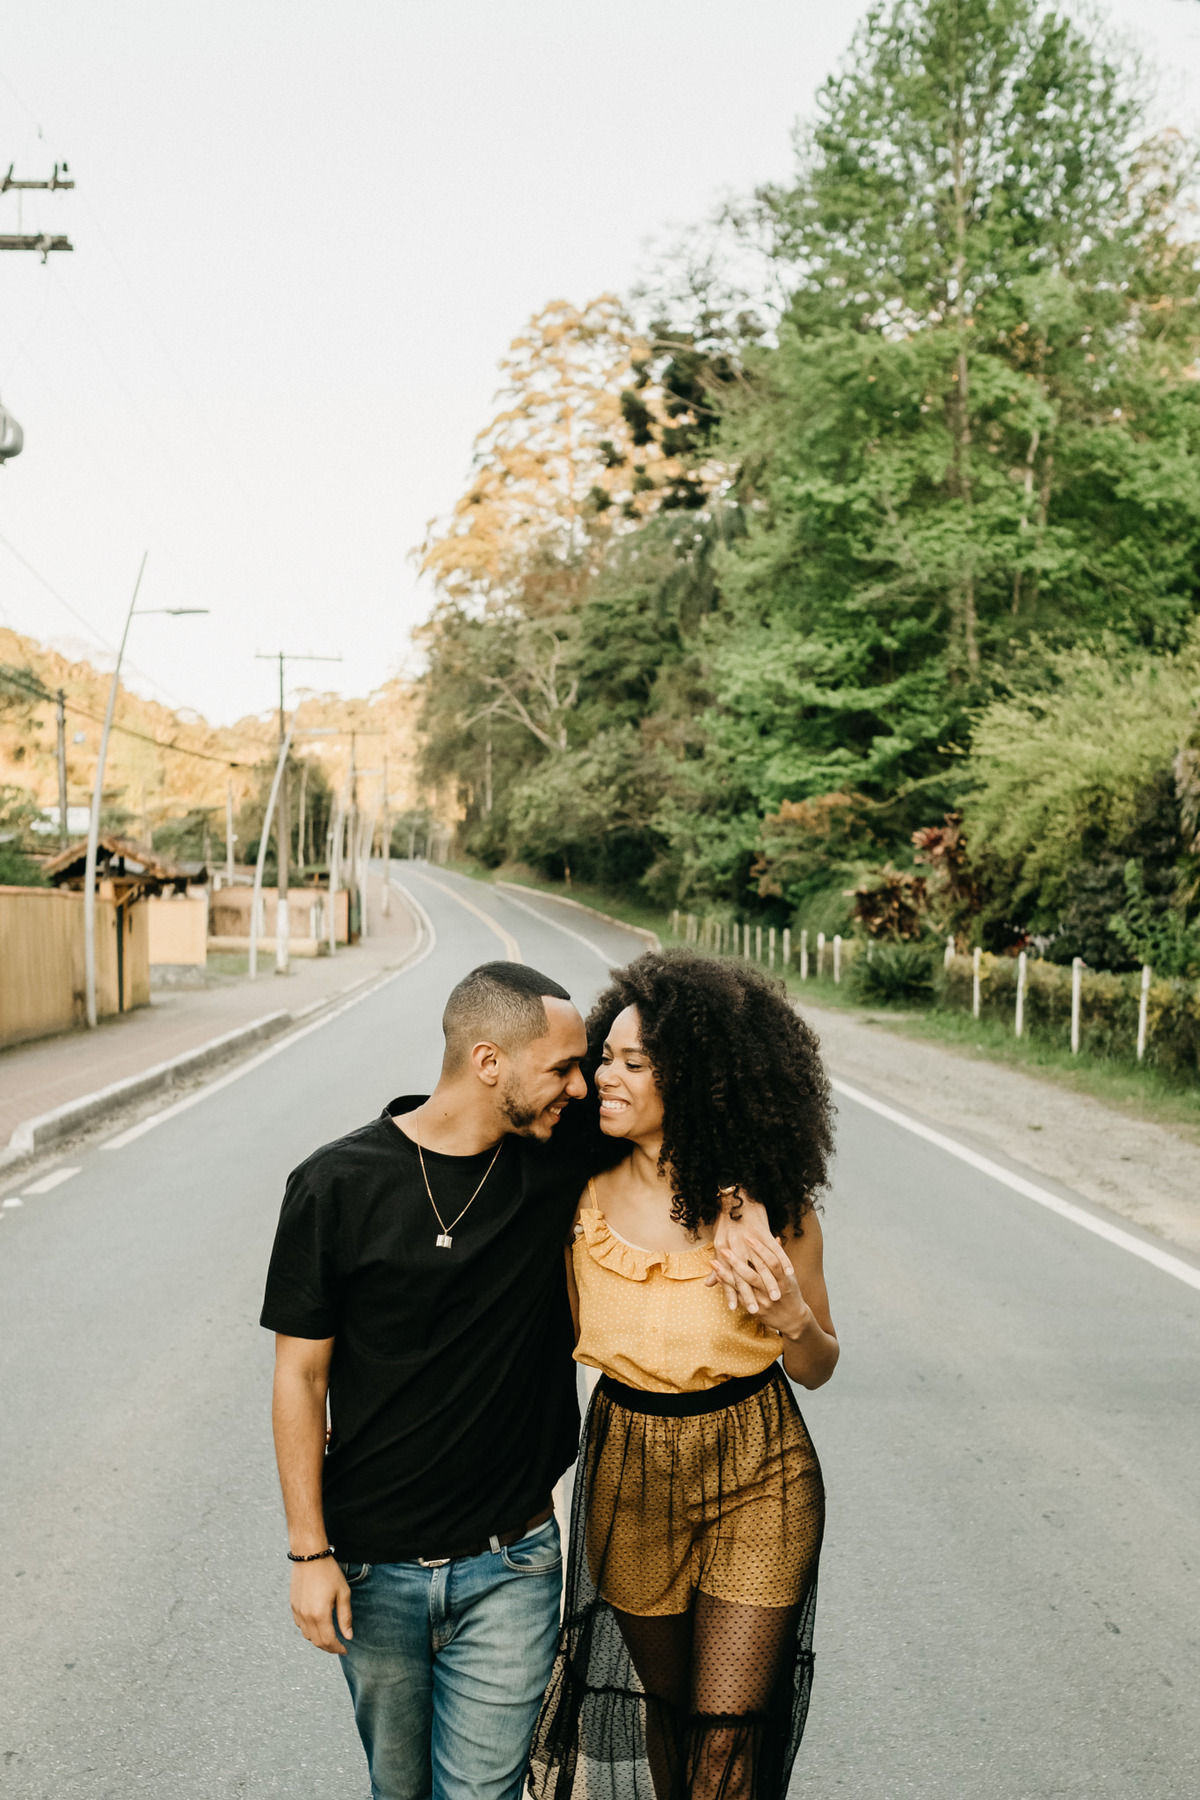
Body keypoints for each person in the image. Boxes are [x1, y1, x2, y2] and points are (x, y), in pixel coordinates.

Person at [260, 959, 771, 1800]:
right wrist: (307, 1551)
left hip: (513, 1562)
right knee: (399, 1790)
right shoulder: (335, 1184)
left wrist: (743, 1195)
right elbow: (300, 1373)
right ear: (489, 1061)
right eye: (565, 1066)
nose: (583, 1086)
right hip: (374, 1567)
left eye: (590, 1066)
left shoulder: (555, 1165)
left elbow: (681, 1113)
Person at [528, 949, 839, 1800]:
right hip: (629, 1466)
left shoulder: (772, 1207)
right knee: (666, 1715)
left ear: (696, 1080)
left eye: (634, 1062)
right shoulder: (572, 1197)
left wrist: (789, 1321)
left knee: (727, 1741)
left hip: (759, 1469)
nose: (606, 1076)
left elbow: (817, 1366)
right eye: (605, 1058)